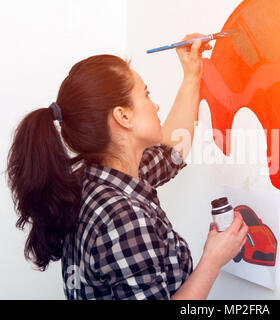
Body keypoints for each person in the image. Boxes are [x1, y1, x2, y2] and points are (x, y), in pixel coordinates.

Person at [6, 33, 248, 300]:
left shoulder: (94, 181)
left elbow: (173, 152)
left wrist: (192, 75)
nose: (155, 105)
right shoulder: (123, 217)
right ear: (122, 116)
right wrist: (212, 262)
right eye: (146, 94)